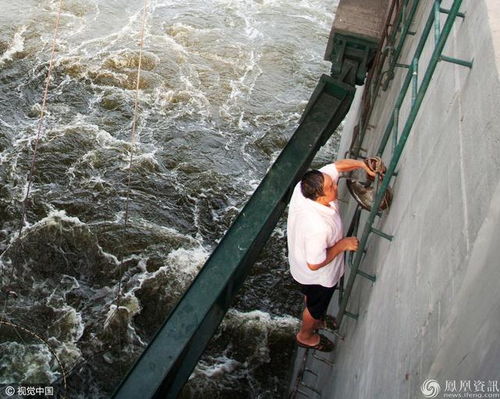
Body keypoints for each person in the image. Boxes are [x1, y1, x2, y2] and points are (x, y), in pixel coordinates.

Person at [287, 159, 375, 351]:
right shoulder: (318, 228)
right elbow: (314, 264)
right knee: (315, 307)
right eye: (331, 187)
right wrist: (342, 245)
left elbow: (336, 167)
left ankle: (316, 321)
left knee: (311, 298)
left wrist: (362, 165)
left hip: (298, 259)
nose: (336, 185)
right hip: (317, 276)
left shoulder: (304, 190)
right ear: (319, 197)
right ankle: (306, 335)